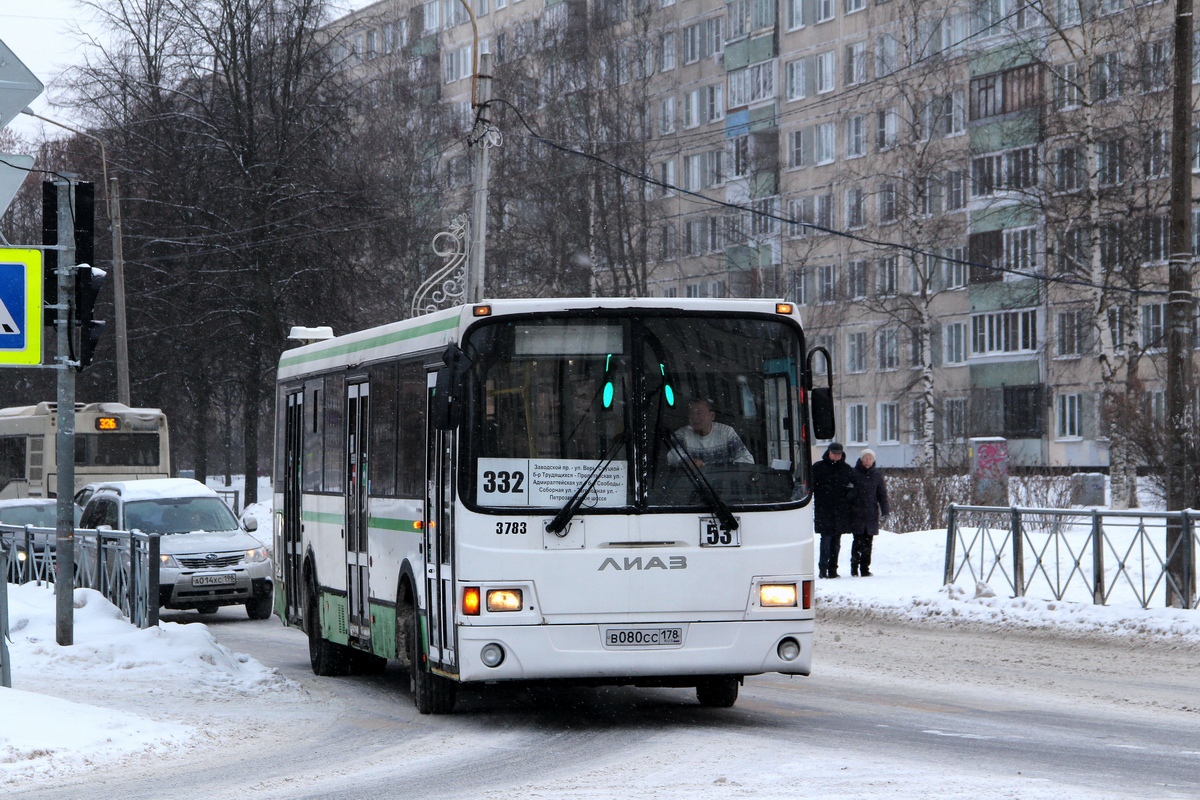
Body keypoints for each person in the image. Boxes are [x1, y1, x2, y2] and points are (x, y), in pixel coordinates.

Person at [811, 441, 856, 579]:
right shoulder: (818, 467)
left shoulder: (847, 469)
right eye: (834, 453)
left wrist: (849, 494)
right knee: (825, 540)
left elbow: (854, 487)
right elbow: (812, 486)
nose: (836, 456)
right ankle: (823, 569)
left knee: (836, 542)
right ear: (829, 453)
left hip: (840, 510)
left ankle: (833, 570)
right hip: (824, 509)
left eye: (838, 454)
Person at [667, 398, 753, 468]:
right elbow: (673, 456)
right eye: (691, 414)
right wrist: (688, 462)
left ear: (712, 416)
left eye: (698, 413)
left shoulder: (726, 432)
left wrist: (728, 469)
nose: (694, 417)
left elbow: (747, 459)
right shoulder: (681, 435)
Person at [849, 448, 890, 577]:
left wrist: (885, 512)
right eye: (866, 458)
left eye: (870, 459)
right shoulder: (854, 474)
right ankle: (854, 567)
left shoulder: (877, 475)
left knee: (868, 543)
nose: (868, 461)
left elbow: (882, 495)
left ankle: (865, 568)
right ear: (861, 460)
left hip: (871, 513)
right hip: (856, 513)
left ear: (873, 461)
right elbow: (847, 494)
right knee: (858, 542)